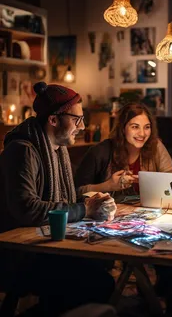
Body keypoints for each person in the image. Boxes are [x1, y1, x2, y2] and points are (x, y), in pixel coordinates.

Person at [0, 81, 116, 316]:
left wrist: (96, 200)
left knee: (101, 267)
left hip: (43, 246)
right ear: (53, 120)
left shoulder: (57, 150)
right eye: (77, 119)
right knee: (100, 283)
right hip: (19, 255)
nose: (82, 127)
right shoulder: (22, 151)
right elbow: (28, 208)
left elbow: (68, 196)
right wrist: (84, 209)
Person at [75, 102, 172, 313]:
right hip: (108, 219)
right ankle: (145, 291)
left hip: (145, 214)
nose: (142, 133)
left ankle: (170, 289)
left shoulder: (155, 146)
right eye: (135, 126)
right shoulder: (101, 151)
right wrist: (109, 186)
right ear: (123, 127)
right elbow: (77, 190)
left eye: (146, 126)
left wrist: (165, 184)